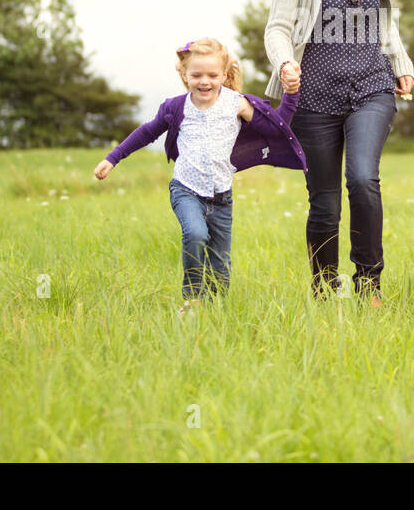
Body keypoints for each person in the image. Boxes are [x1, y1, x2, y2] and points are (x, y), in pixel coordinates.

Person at [264, 0, 414, 302]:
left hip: (371, 85)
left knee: (364, 178)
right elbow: (278, 26)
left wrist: (401, 64)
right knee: (324, 203)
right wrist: (284, 62)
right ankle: (325, 290)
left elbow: (386, 25)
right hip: (313, 93)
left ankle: (369, 285)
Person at [94, 37, 306, 313]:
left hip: (221, 198)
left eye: (212, 75)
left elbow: (276, 128)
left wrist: (291, 94)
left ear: (224, 74)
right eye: (196, 75)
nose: (204, 81)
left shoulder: (237, 104)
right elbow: (147, 132)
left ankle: (216, 311)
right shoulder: (175, 107)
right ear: (184, 75)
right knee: (194, 234)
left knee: (220, 263)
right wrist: (113, 158)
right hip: (186, 189)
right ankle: (192, 299)